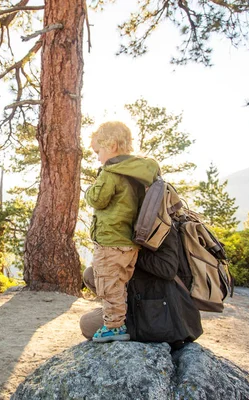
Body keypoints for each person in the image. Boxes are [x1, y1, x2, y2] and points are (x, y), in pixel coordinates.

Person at [85, 121, 160, 342]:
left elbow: (98, 199)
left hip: (111, 240)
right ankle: (118, 320)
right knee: (119, 284)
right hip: (129, 242)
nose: (98, 157)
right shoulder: (137, 173)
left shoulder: (111, 172)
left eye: (99, 151)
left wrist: (91, 188)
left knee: (108, 284)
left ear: (112, 146)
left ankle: (114, 326)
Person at [80, 223, 204, 348]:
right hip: (141, 295)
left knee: (86, 323)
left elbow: (168, 268)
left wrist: (130, 253)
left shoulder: (163, 224)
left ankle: (119, 322)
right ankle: (115, 311)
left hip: (157, 313)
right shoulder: (143, 218)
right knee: (91, 273)